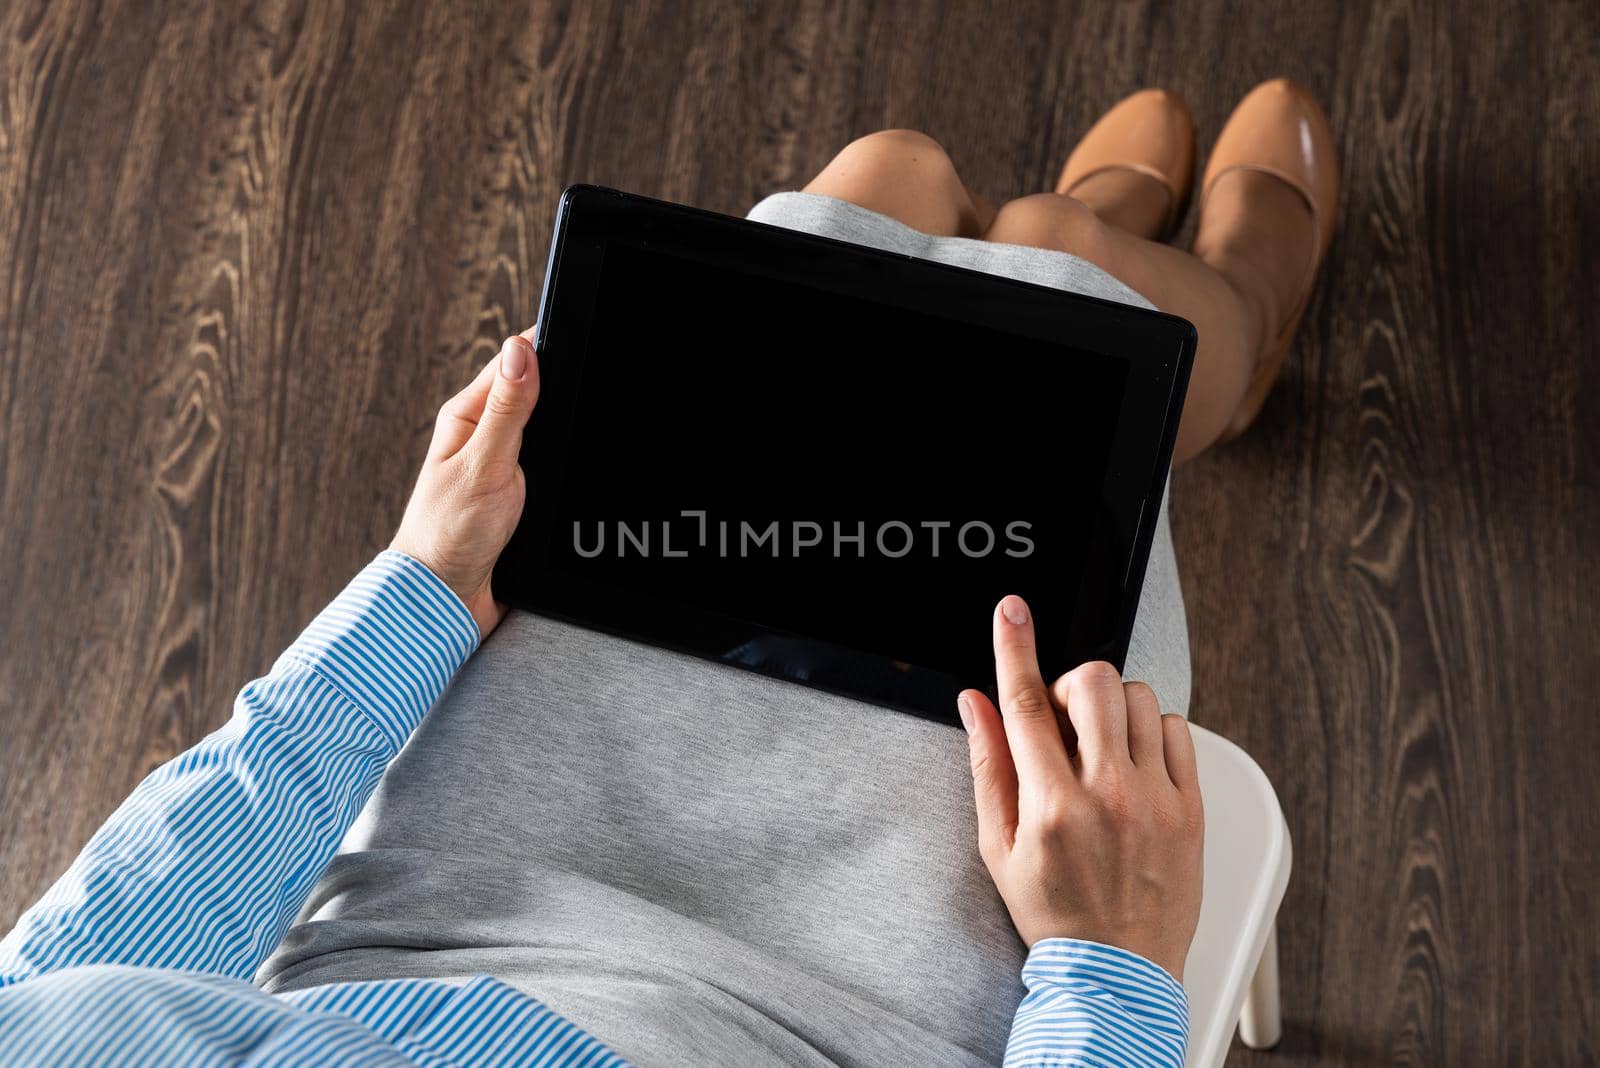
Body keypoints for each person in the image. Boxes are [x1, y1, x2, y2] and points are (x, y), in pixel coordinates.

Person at [0, 79, 1337, 1066]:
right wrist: (1109, 972)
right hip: (853, 1019)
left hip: (447, 907)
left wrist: (420, 591)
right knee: (1075, 304)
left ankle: (1073, 251)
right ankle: (1194, 306)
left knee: (868, 189)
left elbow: (77, 978)